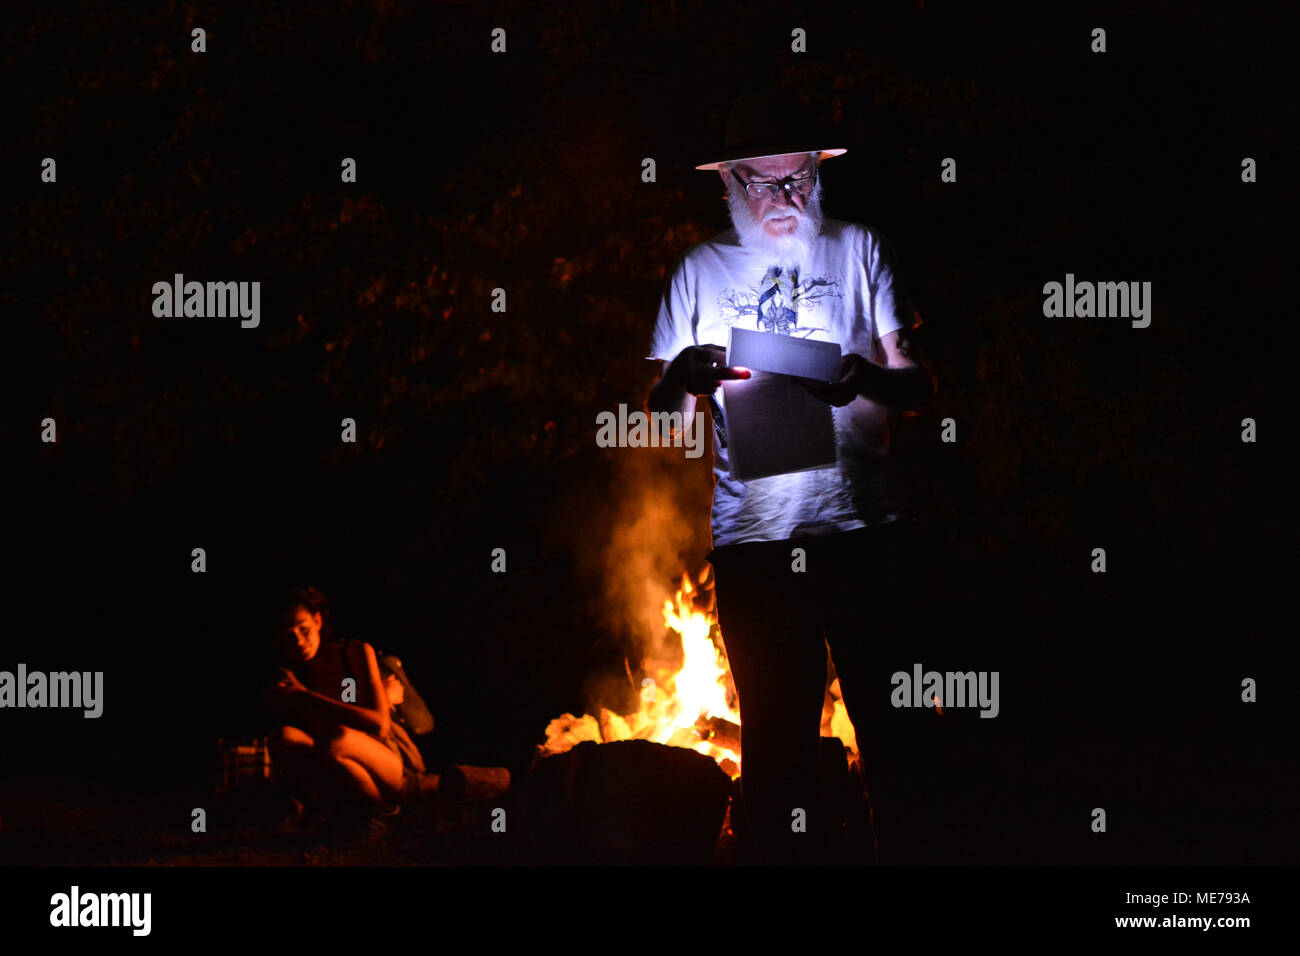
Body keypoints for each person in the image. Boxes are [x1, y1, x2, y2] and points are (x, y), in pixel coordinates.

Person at [646, 87, 938, 864]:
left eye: (796, 179)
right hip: (758, 549)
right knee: (775, 745)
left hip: (866, 533)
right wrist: (686, 373)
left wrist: (861, 378)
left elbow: (920, 387)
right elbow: (663, 415)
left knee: (897, 731)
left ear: (817, 174)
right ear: (729, 182)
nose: (783, 197)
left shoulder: (860, 249)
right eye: (762, 182)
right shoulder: (699, 270)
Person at [265, 587, 423, 829]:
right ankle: (332, 811)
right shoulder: (291, 675)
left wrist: (305, 697)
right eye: (288, 635)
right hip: (338, 769)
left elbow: (379, 725)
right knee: (282, 738)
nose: (298, 640)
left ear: (318, 620)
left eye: (303, 629)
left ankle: (385, 813)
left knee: (336, 740)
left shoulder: (353, 652)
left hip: (386, 763)